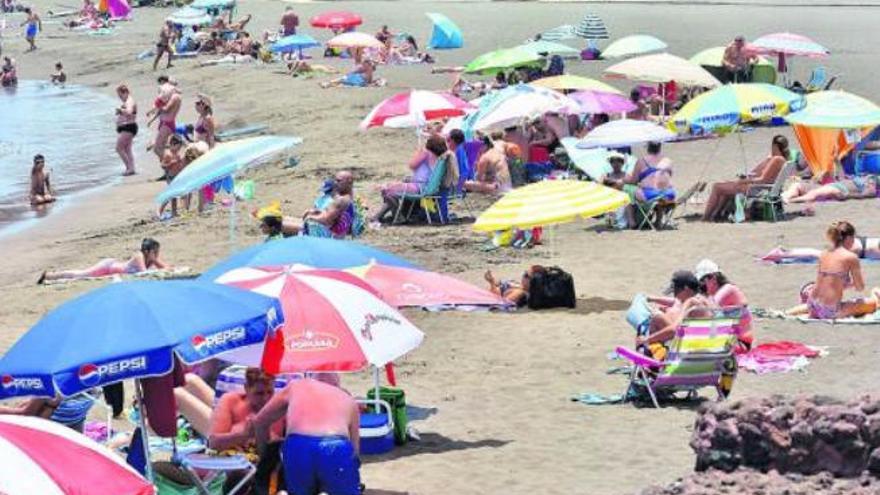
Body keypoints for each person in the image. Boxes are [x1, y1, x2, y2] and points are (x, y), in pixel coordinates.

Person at [175, 369, 285, 494]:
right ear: (246, 388)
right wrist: (242, 435)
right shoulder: (232, 402)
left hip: (257, 466)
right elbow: (213, 443)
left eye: (270, 392)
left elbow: (270, 455)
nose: (265, 398)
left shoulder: (278, 407)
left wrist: (261, 430)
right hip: (226, 461)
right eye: (259, 393)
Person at [252, 374, 361, 495]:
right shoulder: (348, 399)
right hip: (336, 444)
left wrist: (265, 457)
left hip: (298, 444)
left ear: (313, 379)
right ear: (337, 385)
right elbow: (355, 451)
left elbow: (259, 421)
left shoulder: (297, 385)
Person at [785, 221, 880, 320]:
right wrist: (852, 283)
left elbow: (828, 282)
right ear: (848, 238)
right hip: (830, 312)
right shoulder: (851, 257)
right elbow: (860, 287)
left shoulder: (825, 253)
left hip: (812, 304)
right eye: (853, 237)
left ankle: (787, 312)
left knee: (823, 304)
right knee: (872, 303)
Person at [371, 136, 457, 223]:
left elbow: (412, 165)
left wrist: (418, 152)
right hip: (424, 186)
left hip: (418, 187)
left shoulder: (426, 153)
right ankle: (379, 216)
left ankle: (396, 217)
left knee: (387, 190)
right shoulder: (439, 158)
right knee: (390, 191)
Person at [702, 135, 789, 221]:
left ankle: (705, 217)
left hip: (757, 189)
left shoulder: (776, 159)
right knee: (725, 186)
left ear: (774, 146)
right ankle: (717, 215)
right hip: (765, 188)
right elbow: (758, 172)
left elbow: (762, 179)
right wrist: (766, 161)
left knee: (717, 186)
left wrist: (743, 181)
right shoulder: (782, 160)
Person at [638, 271, 713, 361]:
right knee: (659, 317)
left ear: (686, 289)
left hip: (691, 349)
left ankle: (650, 360)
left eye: (676, 291)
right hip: (707, 347)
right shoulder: (705, 300)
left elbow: (674, 330)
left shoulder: (691, 302)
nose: (675, 295)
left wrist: (647, 339)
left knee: (657, 318)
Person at [38, 238, 169, 283]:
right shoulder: (139, 255)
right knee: (81, 275)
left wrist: (155, 260)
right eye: (155, 251)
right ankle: (50, 276)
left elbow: (167, 269)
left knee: (80, 275)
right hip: (108, 266)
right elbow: (143, 273)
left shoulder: (150, 259)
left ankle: (51, 275)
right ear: (147, 251)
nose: (157, 254)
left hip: (111, 269)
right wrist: (153, 260)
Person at [694, 259, 754, 350]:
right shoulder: (714, 294)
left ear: (713, 278)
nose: (701, 285)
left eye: (703, 281)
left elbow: (710, 308)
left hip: (740, 344)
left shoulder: (728, 289)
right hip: (732, 341)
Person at [284, 171, 355, 236]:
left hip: (323, 233)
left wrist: (311, 217)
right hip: (328, 230)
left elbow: (326, 220)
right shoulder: (348, 197)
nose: (335, 183)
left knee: (279, 224)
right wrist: (316, 212)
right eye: (335, 180)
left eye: (339, 181)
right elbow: (333, 215)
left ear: (349, 182)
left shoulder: (341, 200)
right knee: (285, 218)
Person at [762, 236, 880, 262]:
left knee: (819, 254)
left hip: (859, 244)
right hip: (859, 248)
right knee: (819, 255)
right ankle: (783, 253)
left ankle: (784, 253)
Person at [148, 78, 182, 162]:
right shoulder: (170, 96)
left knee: (157, 148)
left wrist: (156, 106)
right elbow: (161, 110)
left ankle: (172, 164)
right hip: (164, 123)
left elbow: (166, 109)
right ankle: (168, 170)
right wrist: (152, 118)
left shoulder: (175, 97)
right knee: (162, 147)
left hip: (167, 124)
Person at [782, 175, 880, 203]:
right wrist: (836, 160)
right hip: (834, 184)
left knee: (814, 193)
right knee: (798, 185)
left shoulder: (871, 187)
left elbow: (863, 195)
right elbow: (842, 178)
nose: (869, 178)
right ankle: (785, 196)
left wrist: (846, 195)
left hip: (840, 189)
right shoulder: (864, 178)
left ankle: (790, 200)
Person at [115, 84, 138, 176]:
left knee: (119, 148)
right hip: (129, 127)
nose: (120, 98)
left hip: (129, 127)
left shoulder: (129, 101)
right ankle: (131, 168)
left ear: (125, 92)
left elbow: (128, 112)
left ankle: (129, 167)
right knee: (127, 149)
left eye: (120, 95)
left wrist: (120, 110)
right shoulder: (128, 101)